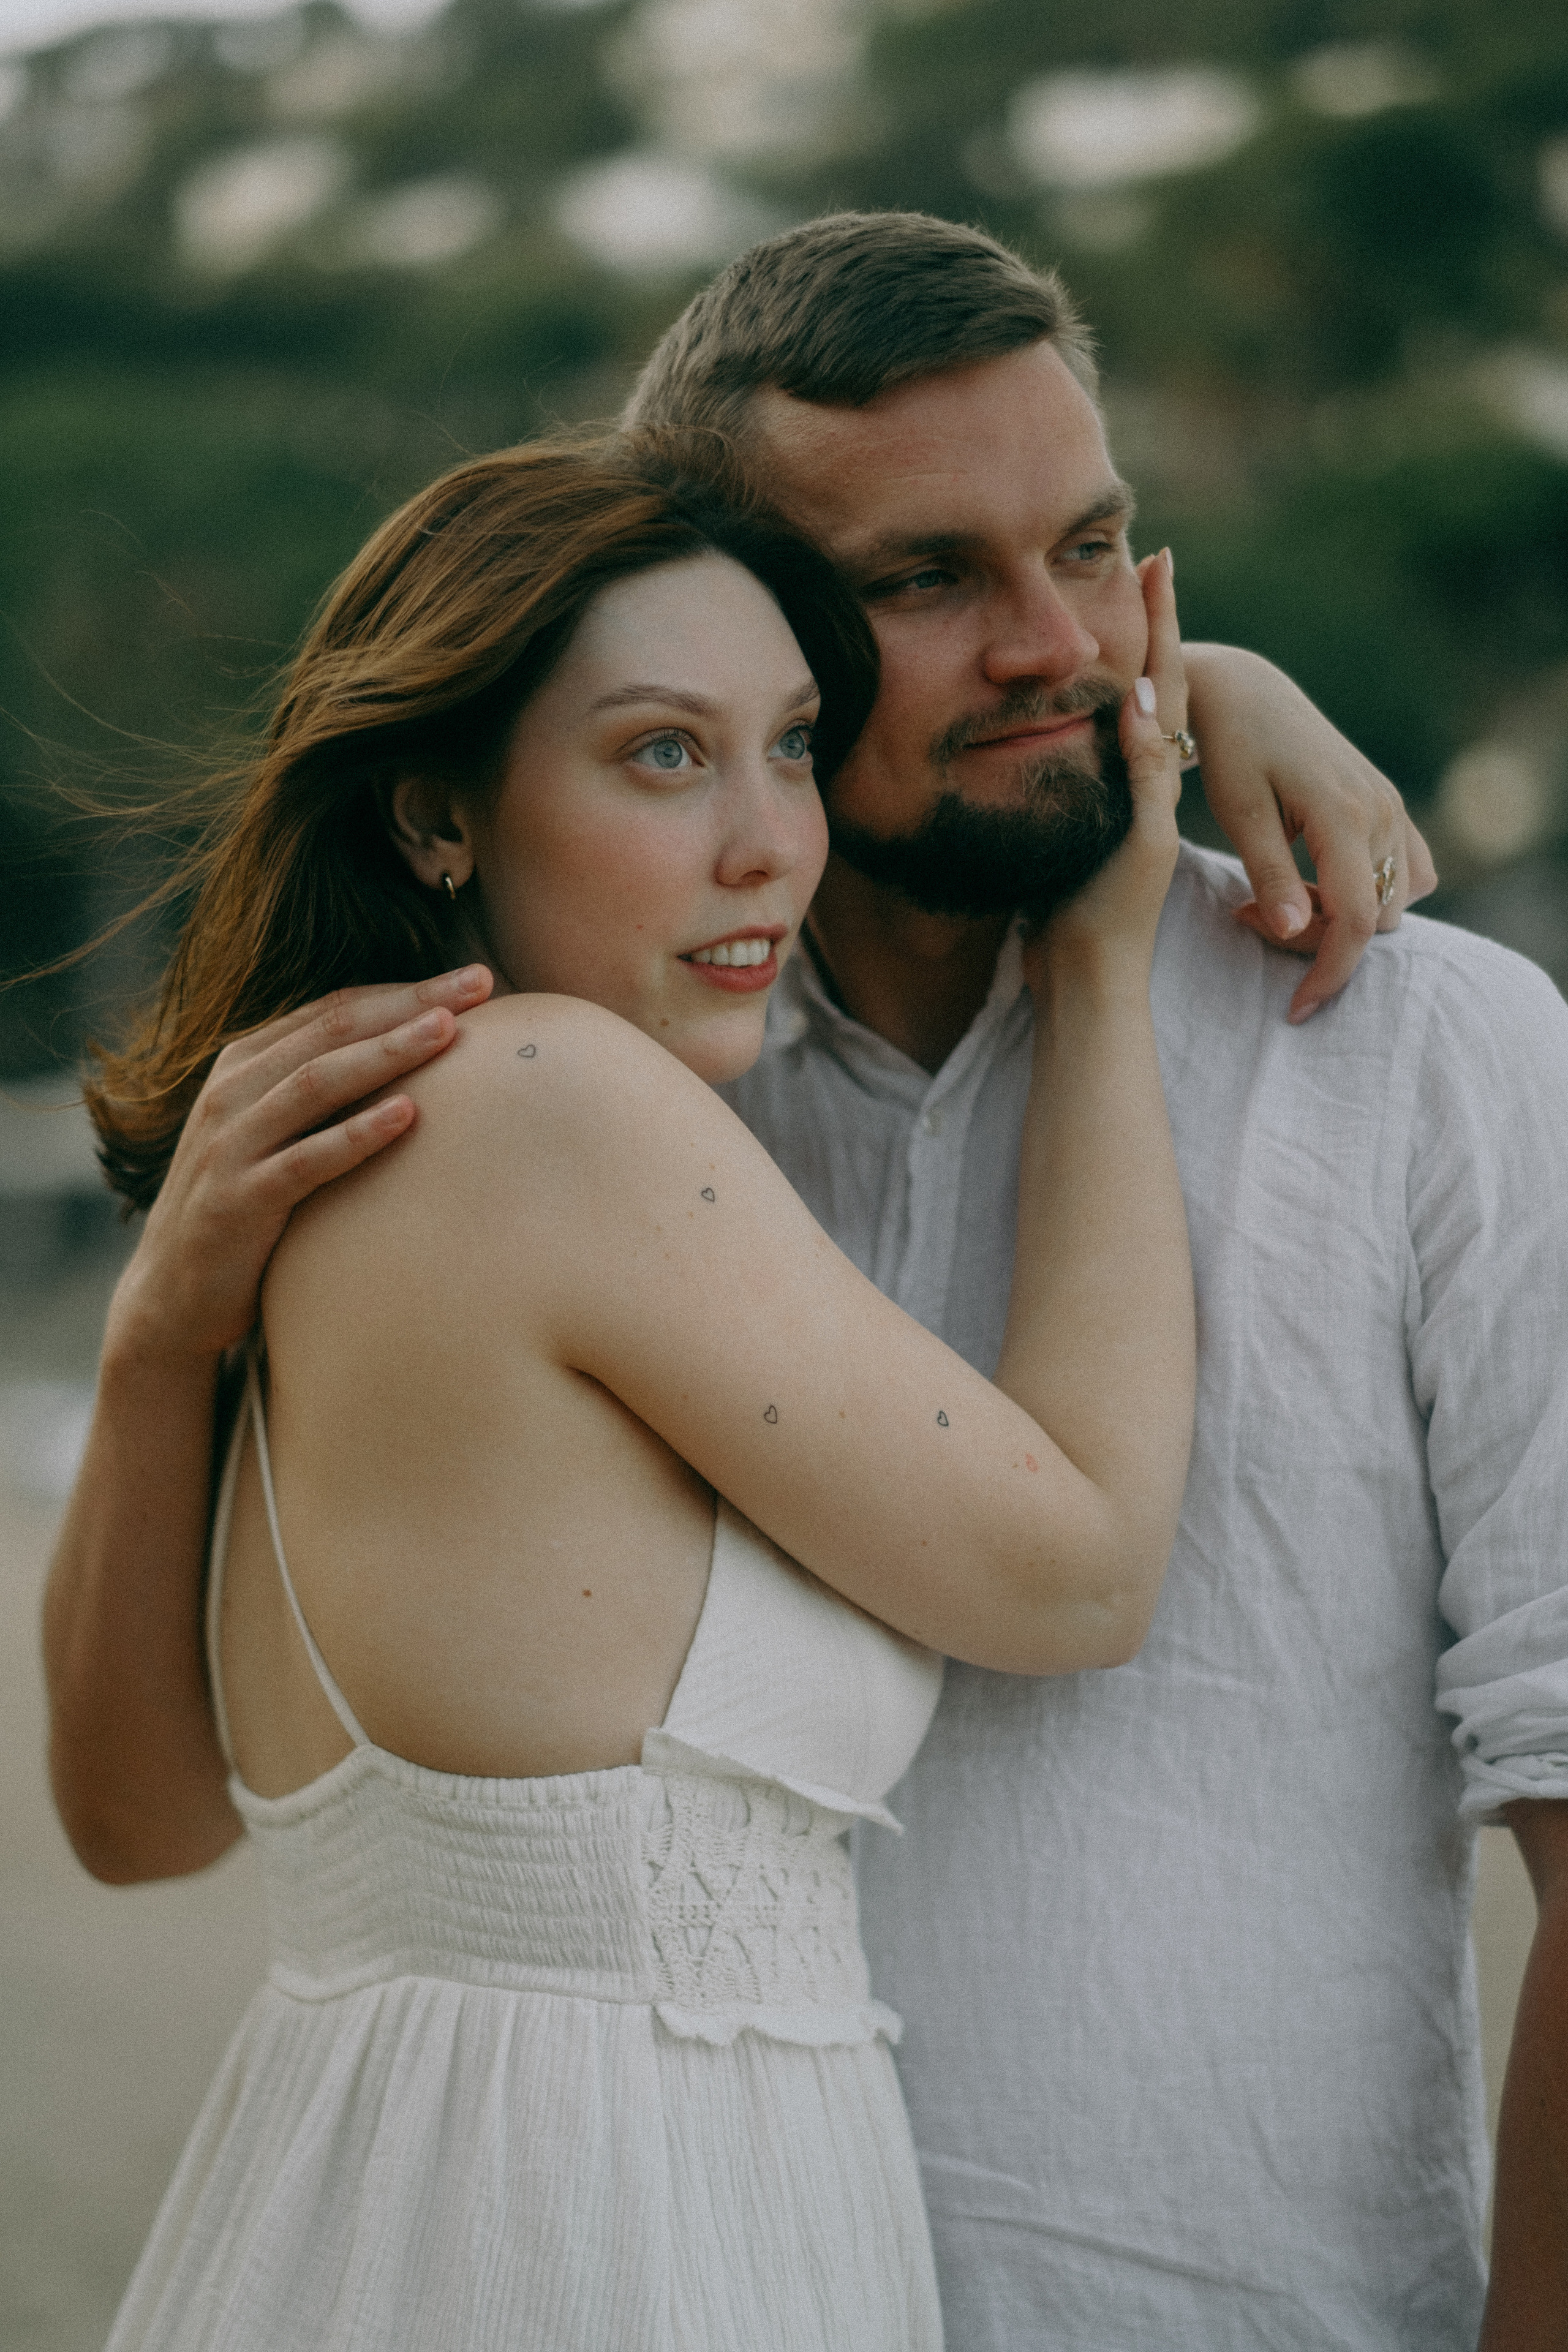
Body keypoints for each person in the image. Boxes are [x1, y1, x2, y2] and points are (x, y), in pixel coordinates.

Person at [46, 211, 1562, 2343]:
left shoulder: (1431, 1050)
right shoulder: (591, 1091)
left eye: (1097, 547)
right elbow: (1069, 1570)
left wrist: (1189, 689)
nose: (1052, 641)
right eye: (923, 580)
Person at [80, 437, 1198, 2351]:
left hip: (366, 2201)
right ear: (441, 809)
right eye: (665, 754)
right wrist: (1104, 970)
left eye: (790, 745)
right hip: (603, 2231)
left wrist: (152, 1349)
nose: (769, 840)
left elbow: (142, 1820)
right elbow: (1081, 1571)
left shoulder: (337, 1163)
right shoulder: (549, 1098)